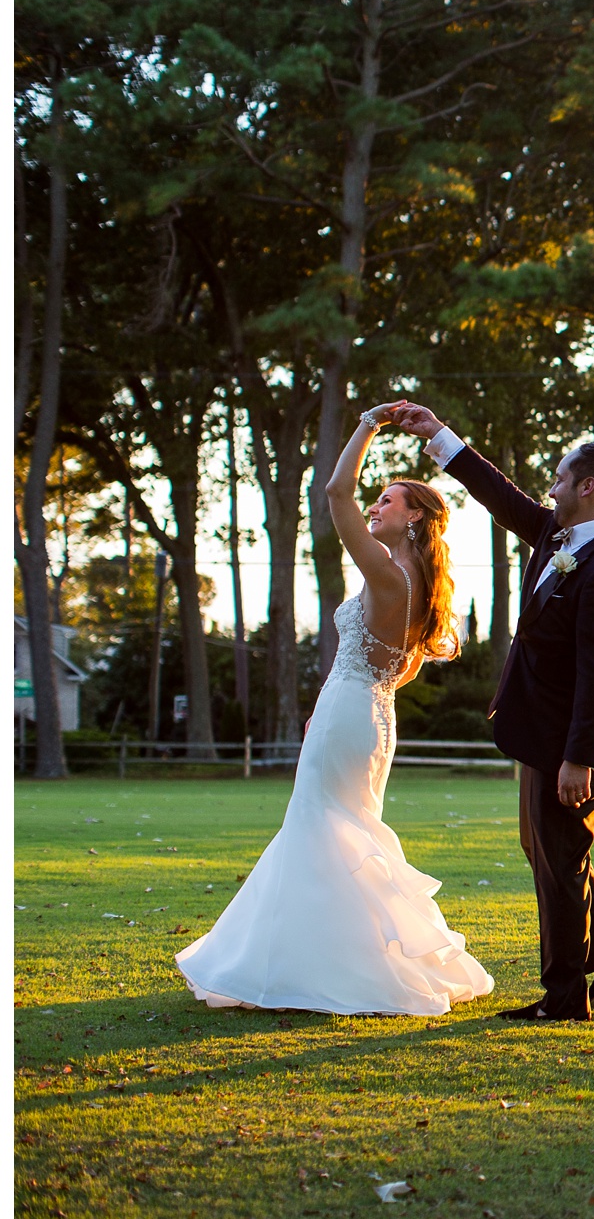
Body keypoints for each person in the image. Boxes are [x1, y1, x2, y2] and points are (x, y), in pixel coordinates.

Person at [176, 404, 494, 1016]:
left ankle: (326, 969)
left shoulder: (387, 574)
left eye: (388, 501)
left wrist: (369, 422)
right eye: (378, 499)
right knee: (340, 834)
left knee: (321, 831)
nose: (375, 506)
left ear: (416, 518)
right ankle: (328, 958)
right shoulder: (418, 585)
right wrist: (338, 707)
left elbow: (334, 490)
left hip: (352, 713)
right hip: (370, 717)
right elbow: (393, 670)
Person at [385, 402, 594, 1022]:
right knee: (547, 851)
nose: (550, 488)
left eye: (559, 478)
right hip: (538, 733)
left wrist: (579, 758)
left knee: (559, 864)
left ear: (588, 487)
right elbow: (501, 498)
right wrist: (439, 437)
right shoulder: (560, 537)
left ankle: (564, 1001)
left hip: (568, 746)